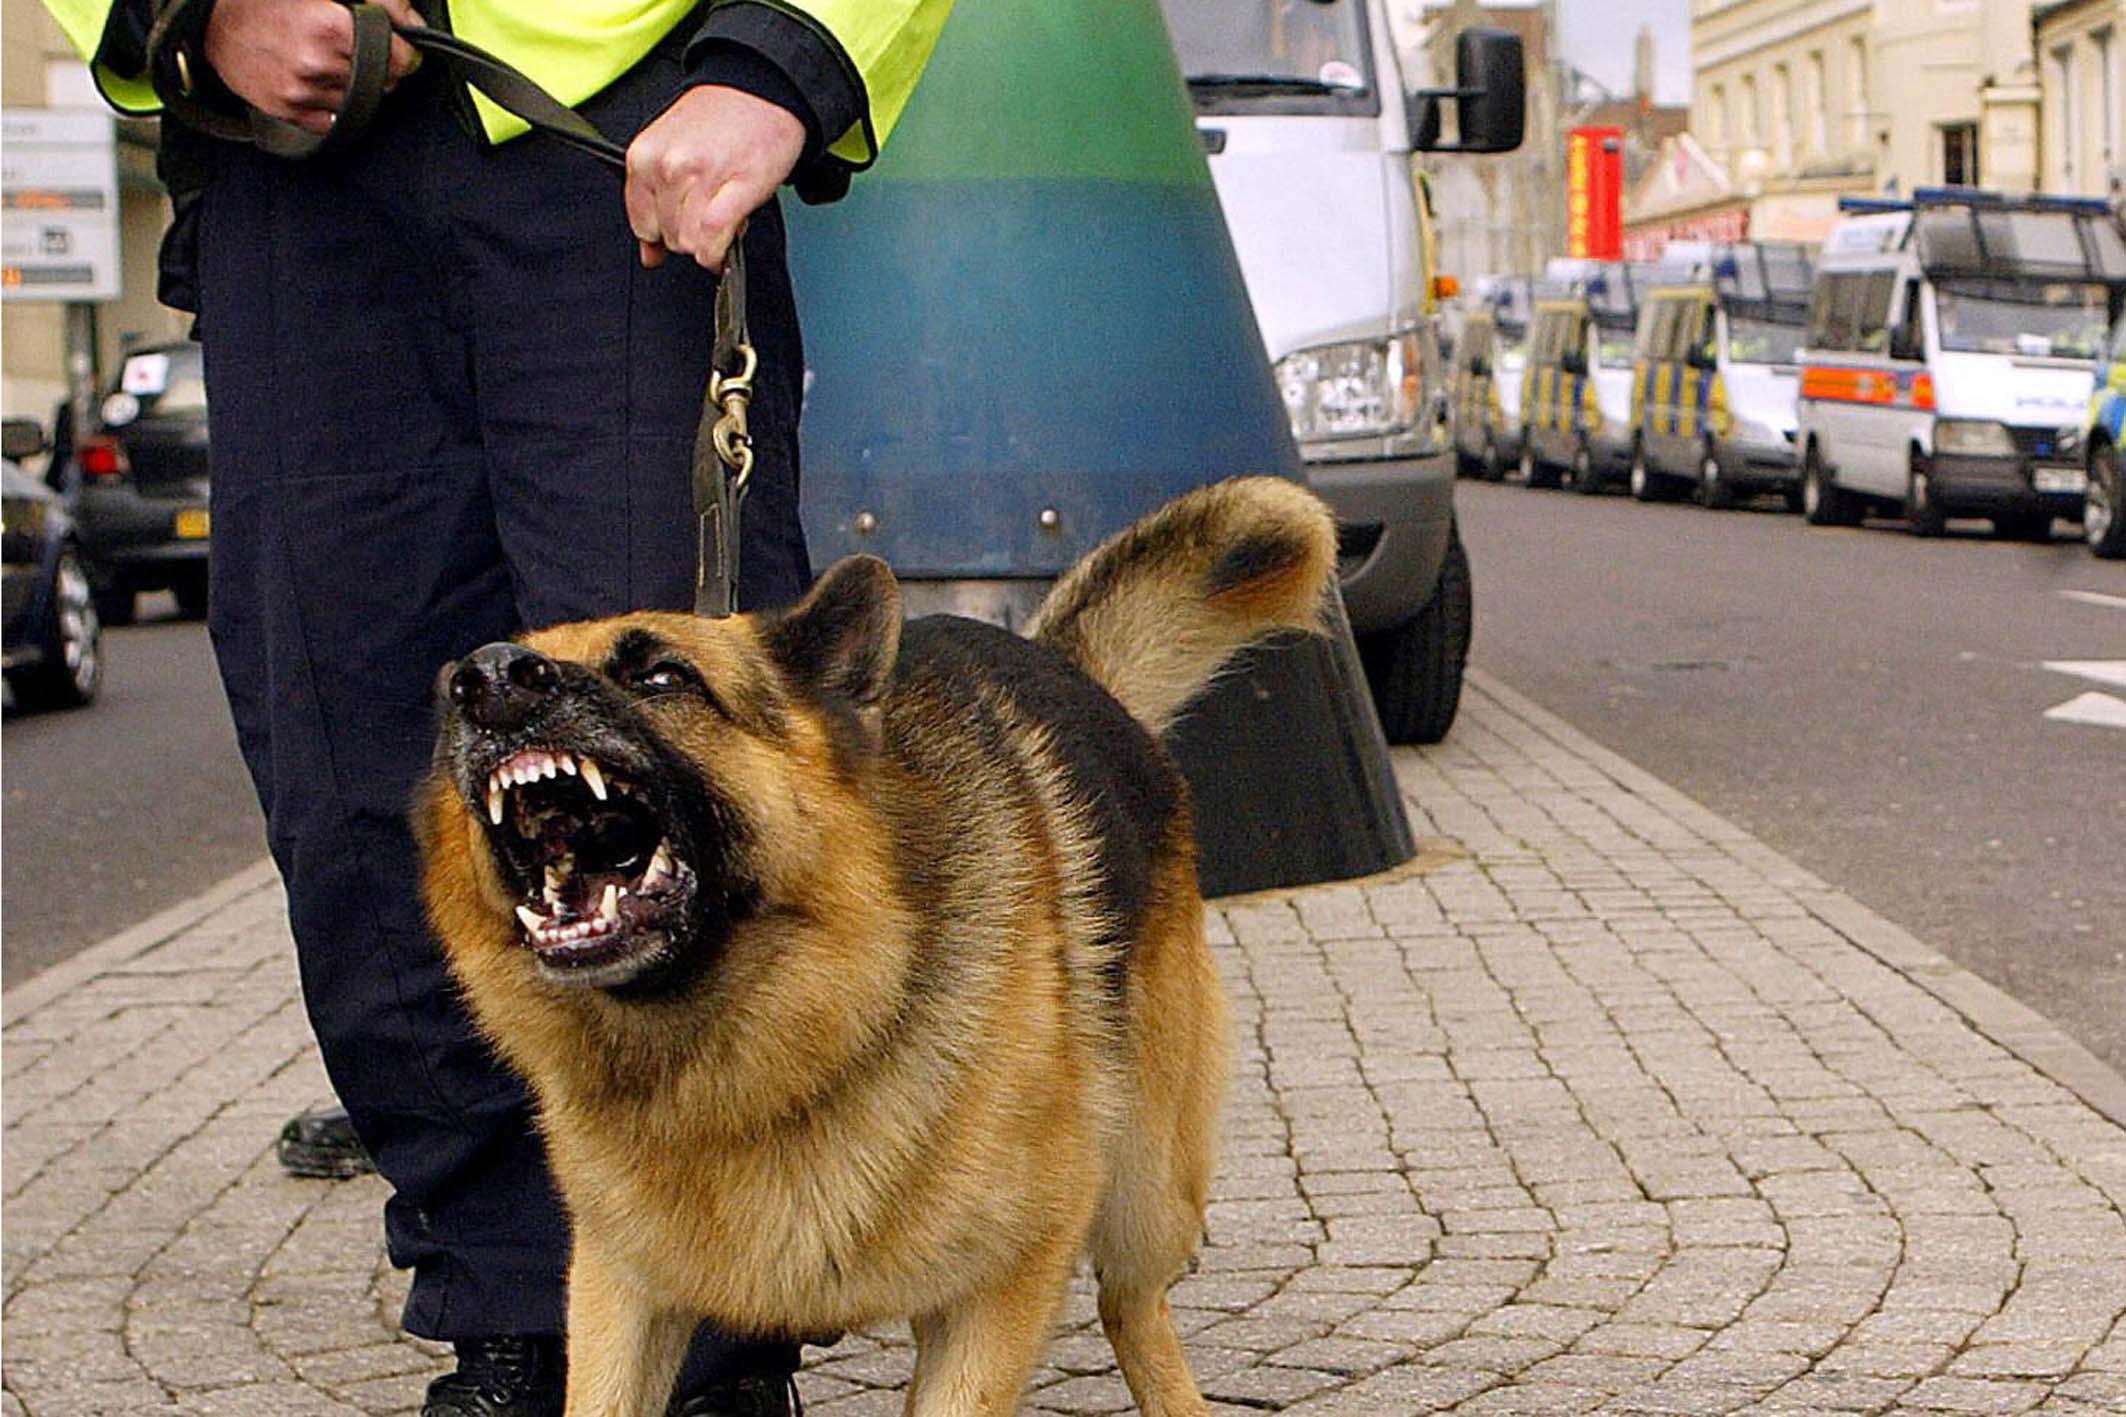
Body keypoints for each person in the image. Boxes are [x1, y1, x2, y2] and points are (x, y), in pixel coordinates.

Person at [41, 1, 952, 1413]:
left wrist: (783, 63)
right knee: (349, 758)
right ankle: (510, 1305)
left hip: (618, 130)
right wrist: (186, 13)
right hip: (285, 162)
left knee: (676, 757)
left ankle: (713, 1338)